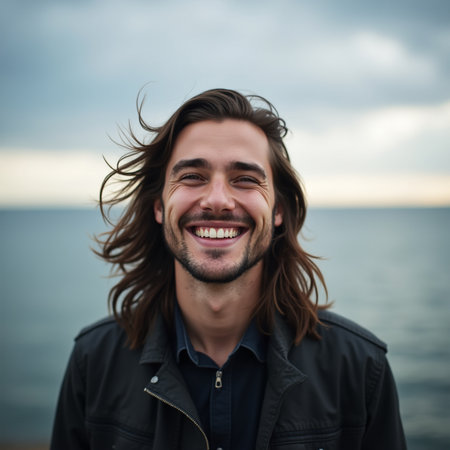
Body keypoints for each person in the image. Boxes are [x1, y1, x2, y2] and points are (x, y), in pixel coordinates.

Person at [51, 88, 406, 449]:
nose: (218, 200)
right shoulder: (94, 361)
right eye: (192, 176)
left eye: (245, 179)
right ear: (158, 205)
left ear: (278, 210)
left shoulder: (359, 369)